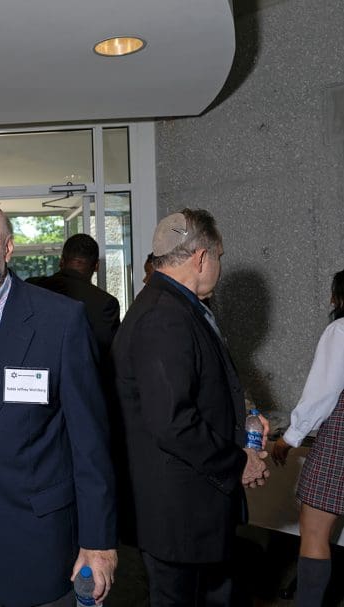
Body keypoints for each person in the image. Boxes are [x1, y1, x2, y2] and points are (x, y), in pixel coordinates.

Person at [0, 200, 117, 607]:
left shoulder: (60, 320)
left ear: (8, 248)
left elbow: (91, 443)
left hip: (39, 547)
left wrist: (98, 543)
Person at [111, 209, 270, 607]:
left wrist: (245, 416)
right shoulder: (166, 316)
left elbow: (199, 391)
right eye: (220, 256)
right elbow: (173, 422)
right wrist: (238, 462)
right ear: (201, 257)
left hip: (189, 511)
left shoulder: (174, 307)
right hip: (179, 516)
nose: (219, 265)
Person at [272, 269, 344, 607]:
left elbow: (322, 394)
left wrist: (289, 438)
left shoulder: (340, 330)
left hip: (340, 442)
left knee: (314, 532)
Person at [26, 233, 120, 364]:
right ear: (97, 266)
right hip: (81, 380)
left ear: (61, 261)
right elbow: (105, 357)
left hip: (32, 378)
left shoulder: (31, 287)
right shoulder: (104, 303)